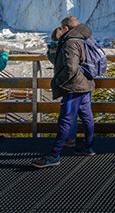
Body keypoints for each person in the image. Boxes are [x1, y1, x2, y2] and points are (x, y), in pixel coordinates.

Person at [32, 17, 96, 168]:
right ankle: (88, 146)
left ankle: (54, 155)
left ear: (66, 28)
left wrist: (57, 81)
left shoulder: (71, 42)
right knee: (87, 116)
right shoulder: (85, 37)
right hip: (86, 84)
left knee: (65, 119)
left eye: (62, 28)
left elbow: (70, 68)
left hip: (74, 86)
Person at [48, 27, 77, 149]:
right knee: (80, 113)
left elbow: (59, 62)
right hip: (79, 82)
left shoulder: (61, 47)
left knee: (67, 114)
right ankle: (86, 142)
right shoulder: (72, 43)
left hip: (68, 82)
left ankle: (67, 139)